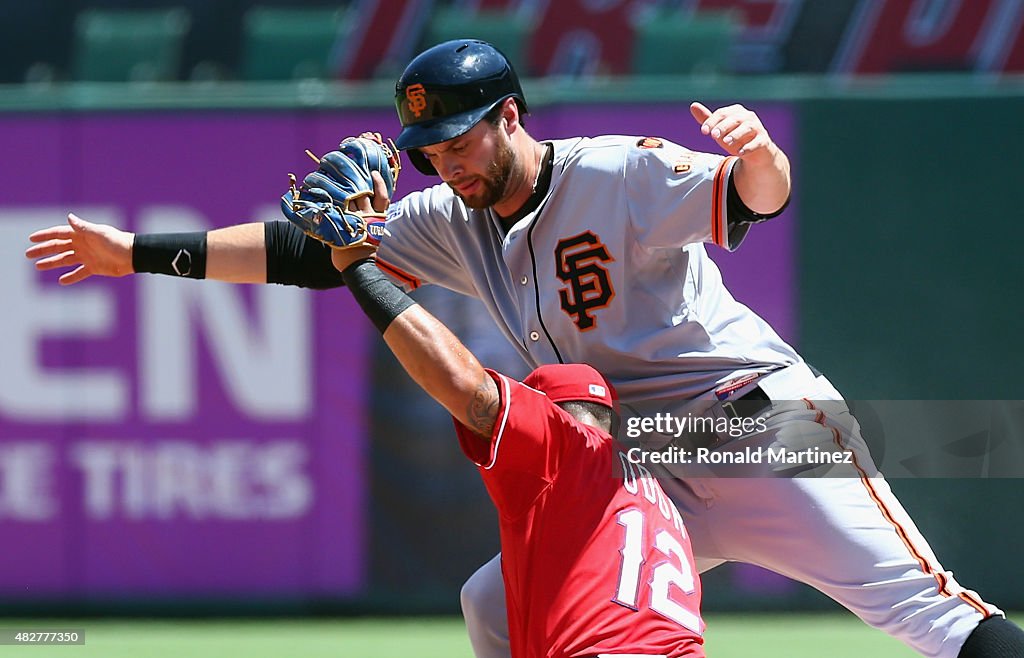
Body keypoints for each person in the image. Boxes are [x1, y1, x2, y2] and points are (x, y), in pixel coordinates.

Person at [25, 39, 1022, 658]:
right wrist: (138, 254)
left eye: (462, 138)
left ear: (510, 116)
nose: (448, 161)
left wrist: (760, 157)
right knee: (494, 605)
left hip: (759, 430)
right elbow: (312, 254)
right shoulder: (447, 219)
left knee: (935, 619)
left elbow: (753, 198)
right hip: (644, 468)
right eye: (433, 150)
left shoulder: (619, 174)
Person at [335, 244, 706, 657]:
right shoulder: (650, 489)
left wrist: (360, 272)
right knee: (482, 598)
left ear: (550, 414)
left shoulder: (566, 447)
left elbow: (463, 385)